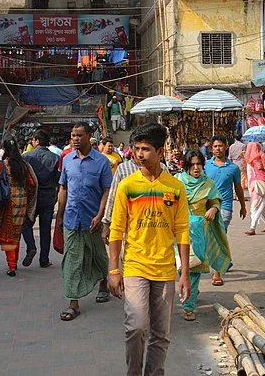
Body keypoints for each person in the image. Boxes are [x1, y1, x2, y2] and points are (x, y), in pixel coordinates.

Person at [108, 123, 191, 375]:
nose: (139, 154)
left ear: (160, 152)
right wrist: (113, 269)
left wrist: (185, 273)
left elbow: (183, 232)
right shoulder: (127, 185)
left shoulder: (175, 187)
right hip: (134, 266)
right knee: (136, 327)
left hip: (165, 269)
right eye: (136, 149)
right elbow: (116, 229)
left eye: (145, 149)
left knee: (161, 333)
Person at [57, 122, 113, 321]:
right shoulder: (67, 160)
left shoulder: (102, 162)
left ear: (89, 136)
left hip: (93, 220)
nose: (75, 139)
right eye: (73, 135)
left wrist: (100, 216)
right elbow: (63, 187)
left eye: (79, 135)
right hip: (72, 219)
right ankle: (73, 303)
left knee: (98, 255)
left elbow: (107, 190)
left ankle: (104, 282)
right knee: (72, 260)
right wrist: (59, 214)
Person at [175, 149, 231, 321]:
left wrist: (214, 209)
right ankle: (189, 290)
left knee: (194, 269)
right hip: (179, 230)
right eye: (192, 165)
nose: (196, 168)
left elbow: (215, 201)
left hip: (200, 231)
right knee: (182, 267)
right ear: (186, 166)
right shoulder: (177, 181)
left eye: (199, 164)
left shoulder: (208, 184)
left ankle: (188, 306)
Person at [0, 138, 38, 276]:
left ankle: (11, 265)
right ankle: (14, 261)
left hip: (7, 204)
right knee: (16, 233)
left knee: (7, 234)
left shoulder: (1, 165)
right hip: (21, 203)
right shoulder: (23, 165)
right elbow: (32, 184)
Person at [204, 135, 246, 286]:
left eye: (220, 146)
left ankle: (217, 274)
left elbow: (238, 188)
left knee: (219, 237)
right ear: (211, 148)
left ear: (226, 146)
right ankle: (225, 261)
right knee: (210, 237)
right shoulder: (206, 166)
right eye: (215, 146)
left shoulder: (233, 168)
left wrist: (243, 205)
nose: (218, 149)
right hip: (207, 207)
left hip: (225, 207)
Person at [22, 130, 60, 268]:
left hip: (32, 198)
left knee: (26, 224)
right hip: (48, 197)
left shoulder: (27, 157)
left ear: (36, 141)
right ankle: (44, 260)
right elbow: (58, 180)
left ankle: (31, 246)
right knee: (45, 230)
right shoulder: (55, 158)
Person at [243, 142, 265, 237]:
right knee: (261, 206)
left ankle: (252, 227)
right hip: (256, 183)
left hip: (259, 183)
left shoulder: (261, 157)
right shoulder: (250, 159)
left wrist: (264, 163)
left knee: (255, 207)